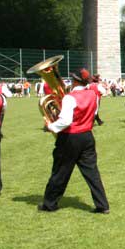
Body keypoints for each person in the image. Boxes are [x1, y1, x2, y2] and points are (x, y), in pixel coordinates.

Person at [38, 69, 109, 214]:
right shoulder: (93, 94)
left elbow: (65, 120)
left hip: (70, 137)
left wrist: (50, 126)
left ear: (75, 80)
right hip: (87, 136)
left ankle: (49, 203)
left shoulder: (69, 98)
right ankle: (102, 205)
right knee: (92, 172)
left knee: (60, 171)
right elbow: (94, 113)